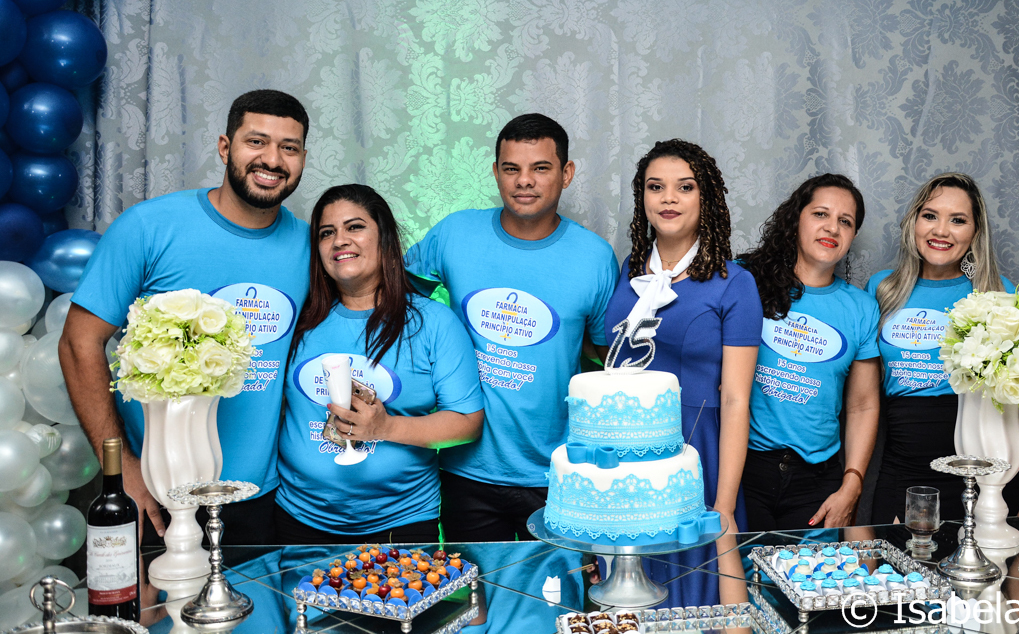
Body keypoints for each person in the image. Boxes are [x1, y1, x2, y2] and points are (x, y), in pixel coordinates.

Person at [61, 90, 311, 545]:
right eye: (256, 142)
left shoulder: (311, 247)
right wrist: (121, 469)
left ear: (302, 159)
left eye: (288, 147)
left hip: (264, 498)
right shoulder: (148, 227)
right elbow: (79, 342)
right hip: (157, 494)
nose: (272, 160)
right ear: (225, 147)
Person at [404, 113, 618, 543]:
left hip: (558, 470)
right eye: (511, 168)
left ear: (566, 173)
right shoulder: (455, 233)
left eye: (540, 168)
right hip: (465, 468)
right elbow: (396, 299)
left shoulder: (595, 258)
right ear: (495, 172)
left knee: (558, 585)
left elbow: (604, 360)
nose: (524, 181)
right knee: (473, 587)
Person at [275, 185, 483, 544]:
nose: (340, 240)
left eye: (355, 227)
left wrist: (385, 427)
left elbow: (467, 422)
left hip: (399, 523)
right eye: (327, 233)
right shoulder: (300, 320)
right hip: (297, 518)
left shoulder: (434, 322)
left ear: (384, 238)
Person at [604, 139, 760, 608]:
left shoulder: (735, 283)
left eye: (684, 187)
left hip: (697, 454)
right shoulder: (629, 270)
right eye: (656, 187)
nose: (668, 198)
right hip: (626, 456)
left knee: (696, 600)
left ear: (705, 197)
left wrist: (724, 505)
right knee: (627, 600)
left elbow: (735, 399)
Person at [867, 172, 1019, 524]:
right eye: (930, 216)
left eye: (958, 220)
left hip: (986, 463)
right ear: (914, 222)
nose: (941, 231)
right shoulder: (882, 290)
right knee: (896, 559)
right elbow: (862, 394)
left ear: (975, 232)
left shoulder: (997, 292)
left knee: (988, 560)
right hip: (904, 459)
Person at [739, 173, 881, 531]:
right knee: (742, 568)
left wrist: (852, 484)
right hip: (744, 469)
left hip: (817, 482)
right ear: (795, 219)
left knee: (811, 570)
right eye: (821, 214)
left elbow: (862, 405)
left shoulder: (861, 308)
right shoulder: (745, 281)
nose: (832, 227)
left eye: (845, 222)